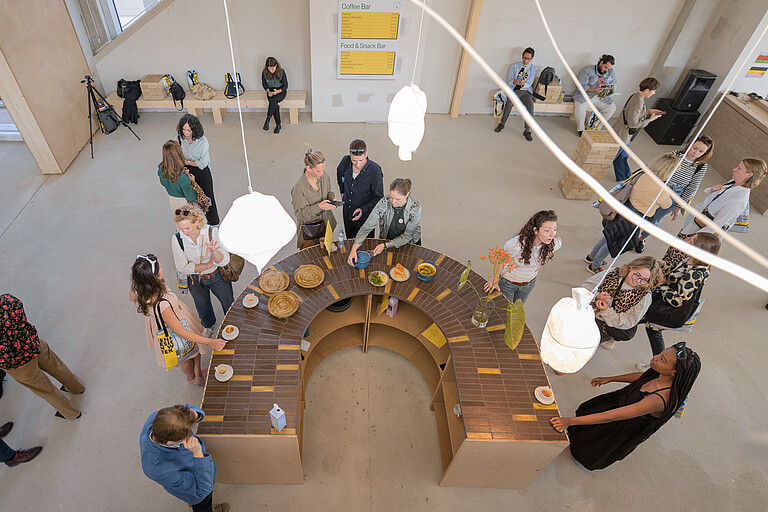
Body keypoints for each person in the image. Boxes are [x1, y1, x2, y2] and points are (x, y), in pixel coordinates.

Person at [550, 342, 701, 471]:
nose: (655, 357)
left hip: (621, 424)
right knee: (588, 419)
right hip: (620, 404)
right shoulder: (660, 374)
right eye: (660, 353)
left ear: (674, 373)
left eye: (662, 359)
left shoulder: (658, 399)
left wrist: (568, 421)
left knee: (592, 440)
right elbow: (641, 378)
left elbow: (611, 416)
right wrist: (610, 379)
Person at [130, 254, 226, 385]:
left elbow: (131, 297)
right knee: (185, 355)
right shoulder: (163, 305)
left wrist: (137, 278)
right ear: (154, 277)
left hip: (164, 322)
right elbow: (182, 332)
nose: (162, 266)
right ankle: (192, 377)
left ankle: (197, 374)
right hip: (175, 323)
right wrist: (211, 342)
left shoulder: (140, 287)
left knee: (190, 353)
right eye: (160, 267)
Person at [638, 234, 720, 371]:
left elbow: (677, 300)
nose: (686, 240)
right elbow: (678, 274)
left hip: (667, 306)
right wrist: (665, 265)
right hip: (662, 303)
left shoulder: (695, 274)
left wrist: (661, 282)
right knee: (651, 328)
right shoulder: (692, 260)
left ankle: (610, 336)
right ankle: (659, 366)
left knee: (637, 318)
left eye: (692, 241)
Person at [586, 153, 678, 273]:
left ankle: (591, 256)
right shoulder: (662, 190)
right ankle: (595, 265)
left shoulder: (643, 174)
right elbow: (667, 204)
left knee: (609, 234)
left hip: (624, 209)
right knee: (613, 243)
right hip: (635, 218)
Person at [0, 294, 85, 419]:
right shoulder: (7, 300)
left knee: (45, 389)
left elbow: (5, 353)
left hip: (19, 364)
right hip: (33, 342)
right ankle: (77, 387)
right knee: (57, 366)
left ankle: (71, 413)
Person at [140, 404, 230, 512]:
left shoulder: (159, 419)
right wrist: (198, 455)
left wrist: (195, 414)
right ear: (170, 442)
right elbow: (202, 490)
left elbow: (184, 409)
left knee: (202, 483)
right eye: (187, 433)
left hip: (192, 476)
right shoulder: (159, 468)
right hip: (198, 493)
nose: (191, 434)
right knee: (203, 504)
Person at [635, 135, 715, 252]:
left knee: (656, 219)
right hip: (659, 187)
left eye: (701, 151)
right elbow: (659, 169)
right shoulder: (675, 155)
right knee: (642, 211)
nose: (696, 153)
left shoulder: (701, 166)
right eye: (695, 148)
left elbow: (691, 187)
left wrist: (679, 206)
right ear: (690, 145)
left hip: (675, 195)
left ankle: (642, 239)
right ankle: (631, 234)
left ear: (705, 153)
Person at [171, 205, 234, 338]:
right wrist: (208, 264)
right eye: (181, 228)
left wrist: (214, 251)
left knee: (228, 302)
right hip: (196, 279)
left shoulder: (212, 232)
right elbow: (182, 267)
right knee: (202, 306)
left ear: (197, 222)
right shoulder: (177, 239)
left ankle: (232, 324)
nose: (184, 232)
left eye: (187, 228)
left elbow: (224, 261)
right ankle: (208, 325)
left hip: (217, 276)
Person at [581, 257, 663, 350]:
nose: (638, 281)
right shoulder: (613, 272)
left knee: (583, 347)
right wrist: (596, 296)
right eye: (637, 275)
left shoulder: (645, 297)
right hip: (585, 315)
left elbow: (629, 321)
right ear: (631, 267)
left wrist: (607, 311)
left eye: (644, 280)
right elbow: (586, 286)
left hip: (602, 328)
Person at [484, 210, 561, 304]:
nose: (552, 234)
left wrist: (545, 258)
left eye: (555, 229)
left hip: (529, 284)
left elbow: (559, 242)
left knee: (516, 311)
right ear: (535, 230)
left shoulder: (552, 243)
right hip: (507, 284)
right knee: (504, 310)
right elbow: (500, 259)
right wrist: (495, 281)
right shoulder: (516, 244)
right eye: (547, 230)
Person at [679, 158, 767, 237]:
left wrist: (693, 238)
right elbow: (717, 201)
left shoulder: (739, 200)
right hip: (695, 221)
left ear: (749, 175)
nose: (734, 169)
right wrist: (713, 190)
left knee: (675, 252)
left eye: (739, 168)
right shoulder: (734, 182)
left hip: (699, 234)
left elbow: (717, 225)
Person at [347, 178, 421, 266]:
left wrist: (385, 245)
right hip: (387, 238)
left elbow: (407, 236)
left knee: (406, 265)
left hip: (409, 242)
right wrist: (354, 248)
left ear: (407, 195)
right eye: (391, 197)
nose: (393, 202)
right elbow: (367, 226)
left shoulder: (415, 209)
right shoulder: (384, 203)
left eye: (397, 199)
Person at [612, 77, 664, 181]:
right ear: (647, 90)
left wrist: (648, 111)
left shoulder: (636, 96)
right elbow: (634, 124)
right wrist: (650, 120)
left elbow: (633, 113)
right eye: (653, 91)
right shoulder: (638, 103)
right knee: (613, 156)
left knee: (623, 155)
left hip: (620, 130)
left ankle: (624, 177)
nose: (654, 94)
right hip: (623, 134)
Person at [336, 139, 384, 239]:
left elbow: (378, 197)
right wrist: (342, 191)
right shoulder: (345, 162)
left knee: (365, 244)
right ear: (350, 154)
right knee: (350, 241)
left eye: (361, 160)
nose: (357, 165)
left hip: (366, 217)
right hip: (348, 213)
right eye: (354, 160)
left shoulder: (375, 171)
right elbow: (339, 174)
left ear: (366, 154)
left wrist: (363, 210)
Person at [291, 149, 339, 249]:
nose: (322, 174)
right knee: (310, 258)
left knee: (325, 253)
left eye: (323, 169)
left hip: (326, 224)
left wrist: (331, 199)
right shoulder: (299, 187)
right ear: (308, 168)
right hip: (309, 231)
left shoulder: (324, 176)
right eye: (318, 171)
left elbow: (329, 191)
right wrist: (319, 206)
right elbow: (299, 213)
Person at [177, 114, 219, 225]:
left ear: (194, 130)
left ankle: (212, 222)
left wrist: (185, 161)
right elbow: (175, 157)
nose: (185, 133)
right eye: (184, 130)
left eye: (189, 131)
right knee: (191, 198)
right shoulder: (178, 139)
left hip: (202, 172)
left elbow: (203, 163)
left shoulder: (203, 142)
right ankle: (194, 223)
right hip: (186, 171)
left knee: (207, 198)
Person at [494, 47, 537, 141]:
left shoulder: (533, 68)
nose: (525, 60)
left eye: (528, 59)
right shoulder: (514, 66)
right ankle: (502, 124)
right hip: (515, 90)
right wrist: (514, 82)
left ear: (532, 59)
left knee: (530, 106)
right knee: (509, 104)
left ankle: (527, 130)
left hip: (526, 91)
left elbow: (530, 82)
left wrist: (523, 84)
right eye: (524, 58)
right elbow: (509, 81)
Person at [157, 140, 210, 218]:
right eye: (179, 148)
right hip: (184, 204)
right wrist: (192, 181)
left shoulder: (161, 168)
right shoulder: (182, 178)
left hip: (172, 201)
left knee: (179, 223)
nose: (181, 148)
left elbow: (164, 183)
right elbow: (191, 197)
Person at [573, 54, 617, 136]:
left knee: (612, 108)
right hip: (586, 95)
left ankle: (594, 127)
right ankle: (581, 129)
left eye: (608, 68)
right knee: (579, 108)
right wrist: (594, 90)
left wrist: (608, 93)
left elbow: (614, 84)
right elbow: (581, 86)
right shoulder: (587, 70)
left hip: (601, 97)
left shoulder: (610, 72)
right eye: (605, 67)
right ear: (601, 62)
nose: (606, 70)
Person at [262, 56, 288, 134]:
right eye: (269, 68)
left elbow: (285, 86)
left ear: (276, 65)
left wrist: (278, 91)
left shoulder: (282, 72)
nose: (271, 70)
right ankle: (278, 124)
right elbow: (264, 84)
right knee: (274, 104)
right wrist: (268, 91)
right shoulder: (264, 72)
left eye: (272, 68)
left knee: (273, 101)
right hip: (270, 91)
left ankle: (268, 118)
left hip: (280, 91)